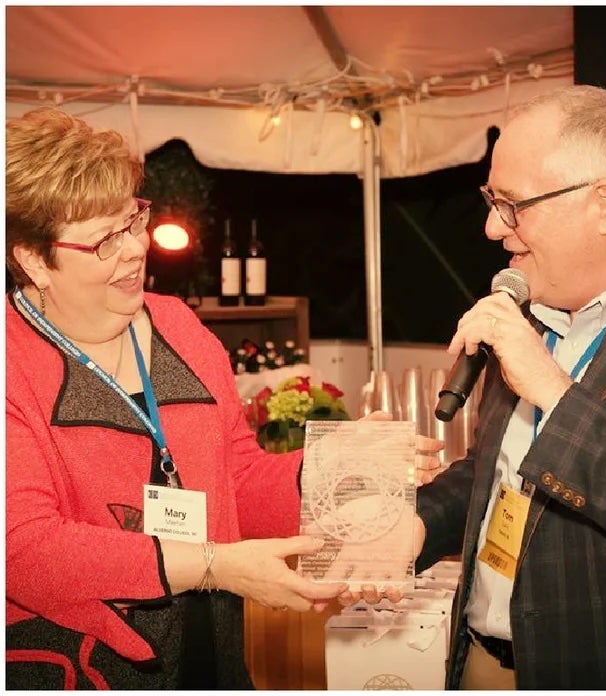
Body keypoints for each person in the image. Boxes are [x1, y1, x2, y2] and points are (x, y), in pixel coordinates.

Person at [4, 107, 356, 688]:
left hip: (211, 654)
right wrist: (214, 565)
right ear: (34, 259)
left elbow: (238, 480)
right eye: (104, 239)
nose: (134, 249)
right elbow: (24, 549)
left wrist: (331, 470)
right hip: (82, 670)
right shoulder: (11, 363)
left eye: (133, 220)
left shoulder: (178, 327)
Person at [357, 85, 606, 689]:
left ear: (605, 206)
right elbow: (490, 473)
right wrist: (419, 524)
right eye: (491, 201)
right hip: (479, 658)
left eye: (512, 205)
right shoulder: (526, 320)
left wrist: (551, 388)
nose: (492, 228)